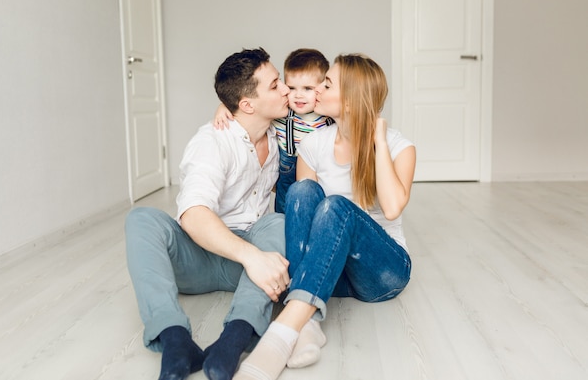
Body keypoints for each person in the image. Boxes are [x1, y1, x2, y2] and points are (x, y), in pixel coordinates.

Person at [233, 53, 416, 380]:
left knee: (336, 207)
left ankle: (285, 329)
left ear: (348, 102)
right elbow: (306, 213)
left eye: (326, 84)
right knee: (302, 192)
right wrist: (224, 108)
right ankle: (309, 324)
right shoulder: (314, 143)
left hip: (383, 272)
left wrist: (377, 141)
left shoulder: (399, 146)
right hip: (333, 274)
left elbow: (390, 208)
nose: (316, 91)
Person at [125, 47, 292, 380]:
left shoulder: (277, 135)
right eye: (276, 85)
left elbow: (319, 101)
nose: (286, 89)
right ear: (247, 104)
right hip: (201, 256)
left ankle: (235, 338)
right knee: (141, 219)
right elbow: (193, 214)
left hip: (245, 270)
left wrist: (253, 258)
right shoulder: (212, 142)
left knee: (277, 222)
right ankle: (174, 338)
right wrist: (252, 257)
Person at [214, 48, 333, 213]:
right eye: (291, 88)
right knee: (284, 212)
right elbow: (245, 104)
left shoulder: (328, 116)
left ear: (321, 88)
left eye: (307, 89)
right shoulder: (280, 115)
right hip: (287, 177)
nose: (298, 95)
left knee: (319, 211)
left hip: (320, 175)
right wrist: (223, 106)